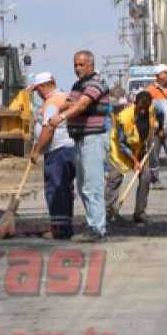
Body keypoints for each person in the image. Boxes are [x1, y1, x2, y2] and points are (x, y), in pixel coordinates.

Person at [48, 50, 111, 243]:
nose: (77, 68)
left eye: (81, 65)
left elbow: (82, 105)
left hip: (93, 139)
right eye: (75, 65)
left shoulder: (96, 83)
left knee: (93, 186)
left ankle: (97, 228)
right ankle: (94, 224)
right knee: (83, 186)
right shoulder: (78, 85)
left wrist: (62, 116)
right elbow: (71, 102)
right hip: (80, 139)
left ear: (91, 65)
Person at [28, 72, 76, 240]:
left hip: (58, 151)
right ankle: (65, 226)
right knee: (65, 189)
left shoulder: (51, 103)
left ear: (43, 86)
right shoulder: (64, 96)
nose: (37, 94)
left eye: (37, 90)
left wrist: (37, 150)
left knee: (56, 189)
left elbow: (48, 129)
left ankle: (59, 229)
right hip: (68, 149)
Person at [106, 91, 164, 225]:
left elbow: (161, 112)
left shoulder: (153, 108)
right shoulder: (124, 118)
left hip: (139, 149)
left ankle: (140, 213)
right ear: (135, 104)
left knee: (146, 177)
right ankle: (109, 212)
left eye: (145, 108)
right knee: (115, 179)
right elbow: (121, 144)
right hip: (119, 152)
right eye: (140, 108)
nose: (143, 112)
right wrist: (135, 161)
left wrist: (160, 128)